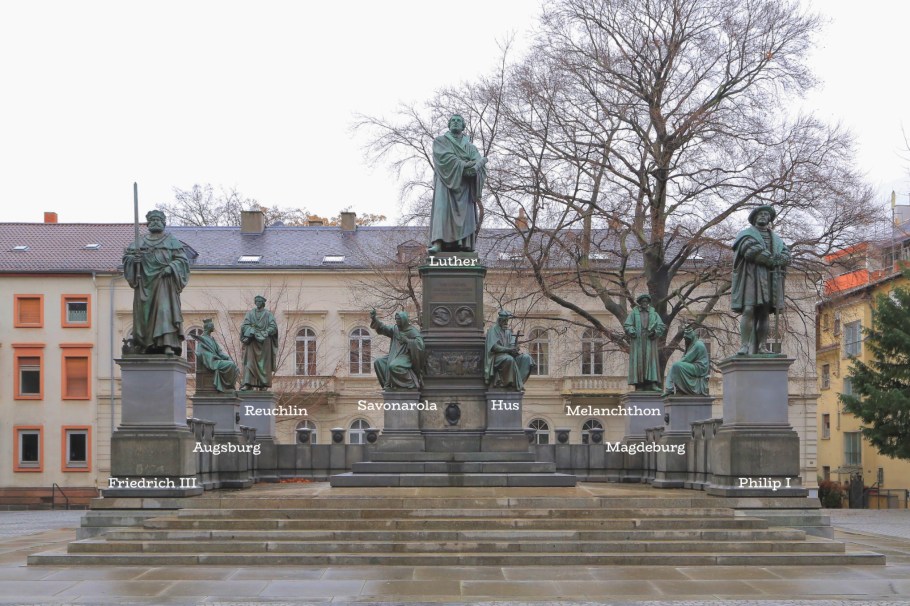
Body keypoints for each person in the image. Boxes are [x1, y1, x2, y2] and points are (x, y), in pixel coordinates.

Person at [122, 210, 190, 355]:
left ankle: (167, 344)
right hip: (144, 284)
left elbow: (183, 261)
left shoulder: (171, 241)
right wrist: (133, 260)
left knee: (164, 312)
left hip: (164, 283)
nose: (155, 222)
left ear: (164, 223)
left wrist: (171, 267)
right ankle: (145, 345)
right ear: (147, 224)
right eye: (152, 220)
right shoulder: (139, 241)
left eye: (158, 220)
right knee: (143, 316)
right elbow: (127, 258)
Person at [732, 205, 790, 355]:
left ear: (769, 219)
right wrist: (773, 260)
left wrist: (782, 259)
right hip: (752, 276)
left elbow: (786, 254)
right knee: (749, 309)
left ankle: (762, 347)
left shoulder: (777, 240)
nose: (764, 216)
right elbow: (750, 251)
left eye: (766, 214)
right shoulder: (745, 235)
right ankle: (745, 346)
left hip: (770, 278)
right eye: (761, 214)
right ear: (755, 217)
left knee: (764, 312)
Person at [428, 114, 487, 254]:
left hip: (465, 186)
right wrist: (466, 165)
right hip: (445, 182)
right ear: (449, 125)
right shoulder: (440, 141)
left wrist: (475, 170)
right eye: (453, 120)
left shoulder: (470, 147)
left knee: (465, 214)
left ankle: (463, 244)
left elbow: (479, 164)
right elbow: (445, 159)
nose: (455, 122)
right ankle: (438, 243)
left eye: (458, 120)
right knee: (442, 210)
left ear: (463, 125)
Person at [369, 309, 425, 390]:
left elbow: (420, 345)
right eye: (396, 319)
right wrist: (374, 319)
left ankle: (412, 382)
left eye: (398, 319)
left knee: (394, 366)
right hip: (394, 355)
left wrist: (408, 341)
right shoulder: (395, 329)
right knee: (378, 362)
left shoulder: (412, 331)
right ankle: (388, 385)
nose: (397, 321)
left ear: (404, 320)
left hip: (406, 356)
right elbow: (383, 328)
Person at [623, 294, 666, 391]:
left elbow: (661, 326)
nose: (644, 303)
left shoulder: (654, 313)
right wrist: (631, 330)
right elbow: (627, 325)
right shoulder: (634, 313)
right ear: (639, 303)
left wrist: (655, 332)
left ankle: (652, 384)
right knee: (639, 361)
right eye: (643, 301)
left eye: (646, 301)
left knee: (650, 361)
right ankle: (639, 385)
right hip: (638, 340)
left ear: (648, 303)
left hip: (650, 341)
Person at [484, 310, 534, 391]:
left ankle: (518, 384)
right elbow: (494, 347)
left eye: (507, 321)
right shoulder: (493, 330)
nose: (506, 323)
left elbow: (512, 343)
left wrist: (515, 348)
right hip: (496, 356)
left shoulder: (508, 332)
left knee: (526, 358)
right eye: (504, 321)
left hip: (509, 354)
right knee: (509, 359)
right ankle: (509, 384)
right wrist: (509, 349)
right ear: (499, 320)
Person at [240, 295, 279, 390]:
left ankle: (264, 384)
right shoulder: (250, 314)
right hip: (252, 342)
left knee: (264, 365)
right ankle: (248, 384)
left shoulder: (268, 314)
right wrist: (251, 330)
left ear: (263, 303)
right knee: (249, 362)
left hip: (265, 342)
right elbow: (244, 326)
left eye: (260, 301)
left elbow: (273, 327)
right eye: (256, 301)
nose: (258, 303)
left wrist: (266, 332)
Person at [192, 318, 239, 393]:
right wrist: (214, 357)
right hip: (211, 362)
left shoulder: (212, 339)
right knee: (231, 365)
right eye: (212, 326)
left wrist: (227, 357)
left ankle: (229, 387)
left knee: (234, 366)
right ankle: (227, 386)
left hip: (216, 360)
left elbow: (220, 352)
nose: (214, 327)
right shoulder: (202, 339)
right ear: (209, 327)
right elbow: (201, 353)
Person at [662, 325, 710, 396]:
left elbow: (687, 359)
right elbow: (684, 358)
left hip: (699, 368)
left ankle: (669, 389)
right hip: (694, 366)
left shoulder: (698, 345)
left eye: (687, 338)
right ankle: (670, 389)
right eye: (685, 339)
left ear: (691, 336)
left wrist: (675, 366)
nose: (686, 340)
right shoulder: (691, 345)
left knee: (675, 366)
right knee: (674, 367)